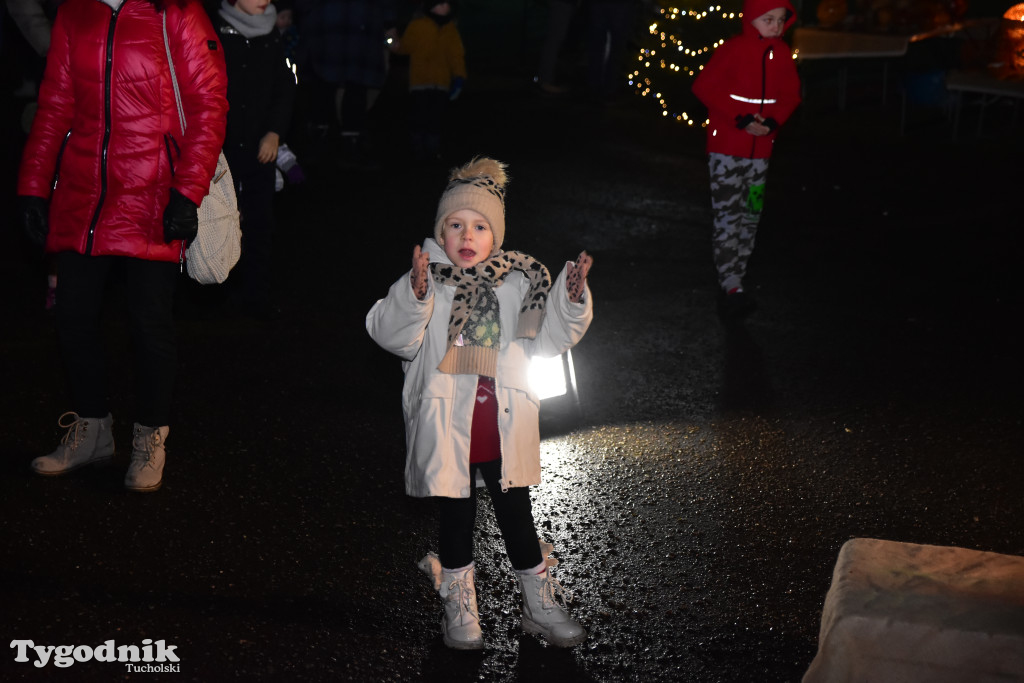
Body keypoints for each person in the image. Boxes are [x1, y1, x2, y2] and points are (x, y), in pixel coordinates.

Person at [366, 157, 593, 649]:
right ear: (440, 233)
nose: (467, 236)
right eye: (455, 225)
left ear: (497, 237)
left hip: (500, 426)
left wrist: (570, 300)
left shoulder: (516, 284)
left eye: (480, 226)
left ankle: (539, 604)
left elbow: (550, 338)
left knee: (517, 514)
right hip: (449, 426)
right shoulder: (426, 283)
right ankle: (460, 604)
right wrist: (415, 293)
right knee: (457, 516)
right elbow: (390, 334)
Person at [16, 0, 228, 491]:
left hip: (153, 194)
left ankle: (149, 437)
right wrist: (32, 184)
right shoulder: (76, 12)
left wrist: (187, 190)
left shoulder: (175, 11)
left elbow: (208, 102)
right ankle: (92, 431)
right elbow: (55, 104)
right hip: (83, 193)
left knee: (149, 323)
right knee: (72, 316)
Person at [691, 0, 801, 318]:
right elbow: (703, 87)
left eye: (780, 20)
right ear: (751, 19)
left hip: (761, 154)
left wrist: (773, 121)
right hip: (727, 148)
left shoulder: (781, 54)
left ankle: (738, 273)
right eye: (768, 19)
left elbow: (791, 95)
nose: (776, 26)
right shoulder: (733, 49)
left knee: (751, 213)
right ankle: (731, 281)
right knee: (728, 214)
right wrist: (738, 117)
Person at [214, 0, 296, 317]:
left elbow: (284, 87)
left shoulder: (273, 34)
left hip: (260, 149)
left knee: (260, 221)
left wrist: (275, 131)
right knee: (221, 219)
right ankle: (217, 289)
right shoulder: (213, 29)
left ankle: (255, 293)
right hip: (221, 149)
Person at [391, 1, 466, 162]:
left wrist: (459, 77)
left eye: (447, 3)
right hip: (420, 82)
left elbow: (456, 56)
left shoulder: (451, 29)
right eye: (441, 3)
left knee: (435, 117)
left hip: (441, 83)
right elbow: (404, 47)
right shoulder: (417, 25)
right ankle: (417, 149)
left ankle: (431, 151)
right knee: (419, 115)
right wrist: (390, 41)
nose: (446, 6)